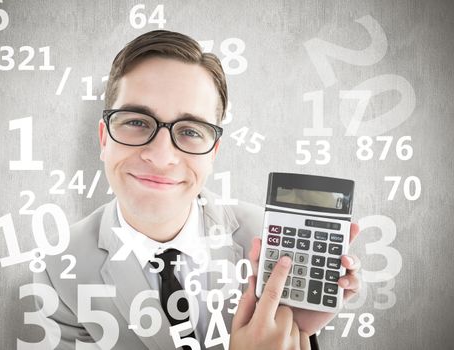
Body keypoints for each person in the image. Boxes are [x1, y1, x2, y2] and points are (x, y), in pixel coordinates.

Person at [33, 29, 361, 350]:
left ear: (213, 152)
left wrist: (296, 329)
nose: (161, 157)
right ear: (104, 139)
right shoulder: (60, 268)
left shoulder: (269, 241)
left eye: (190, 131)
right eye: (136, 122)